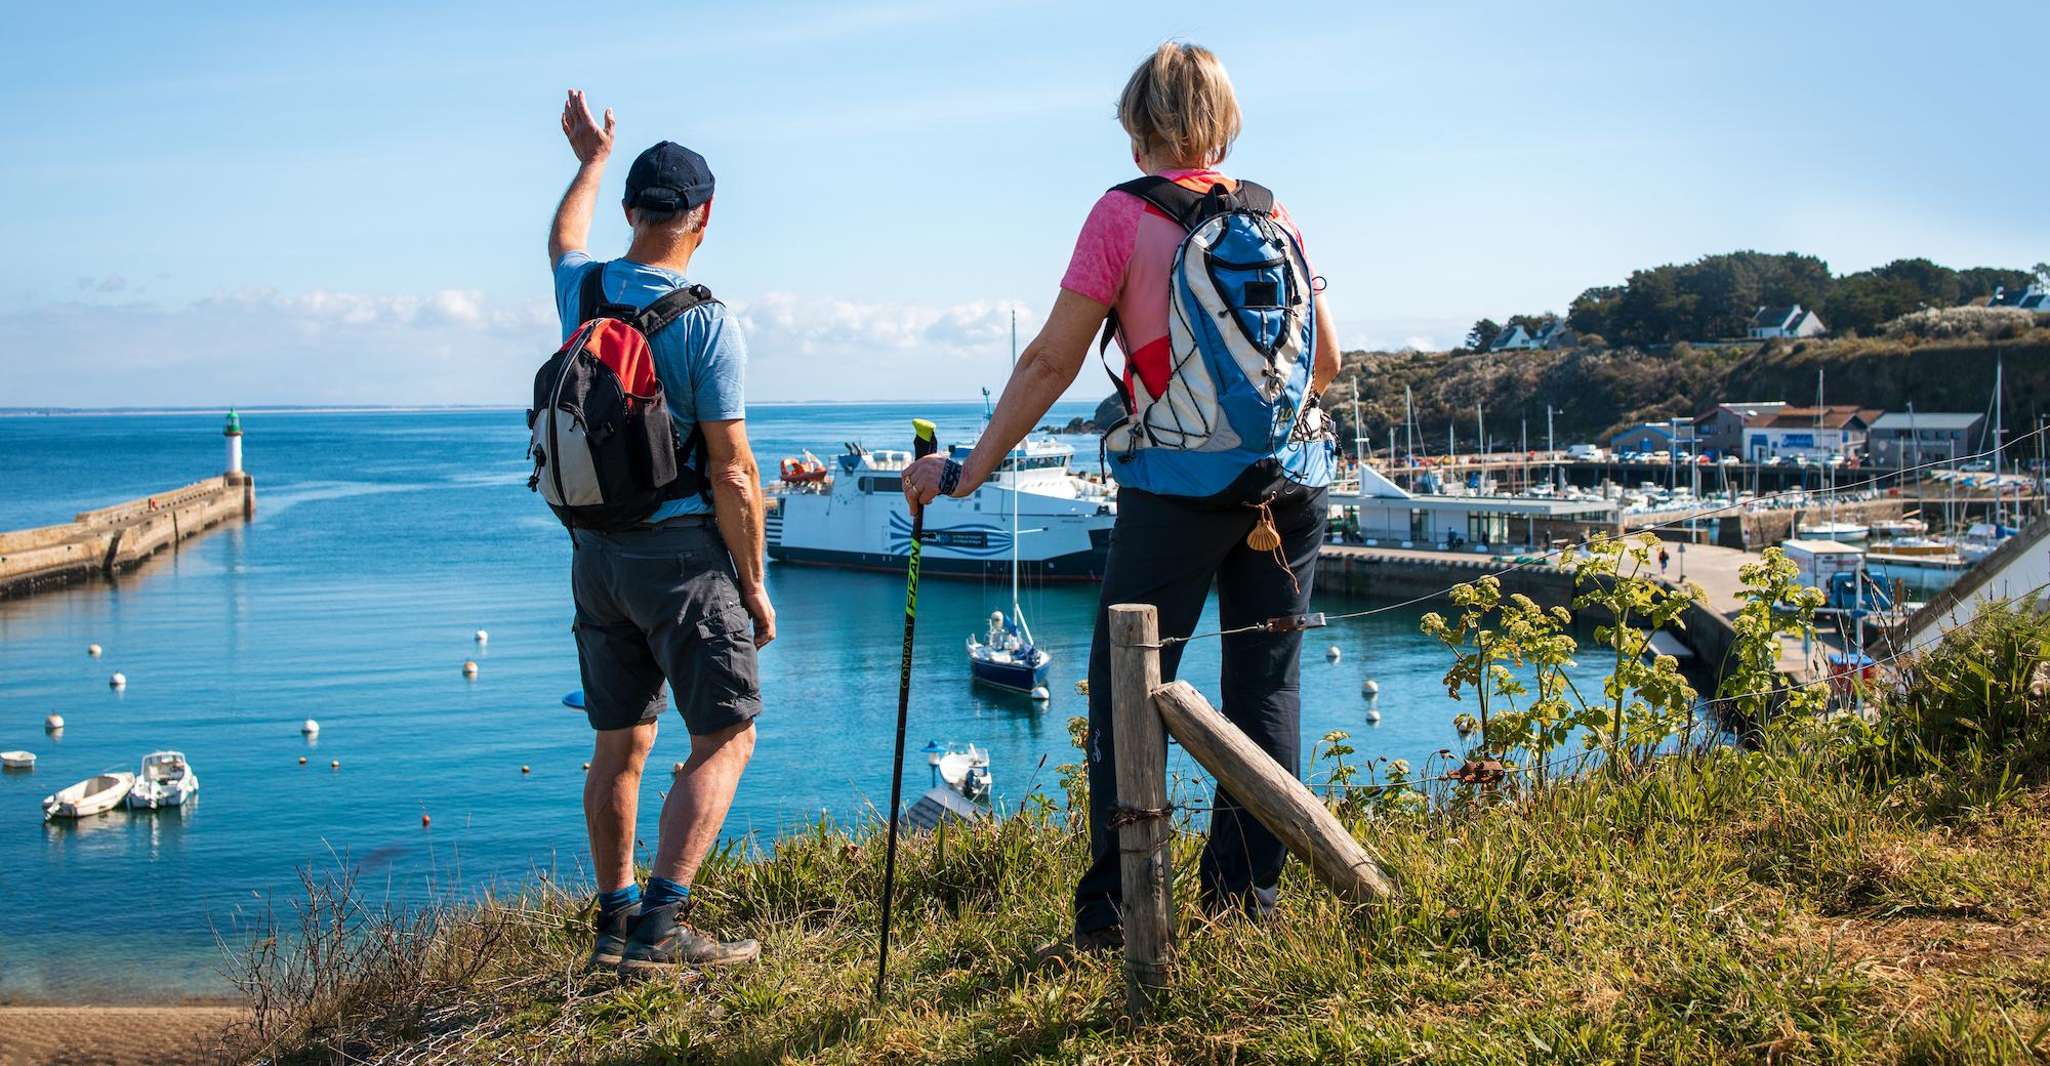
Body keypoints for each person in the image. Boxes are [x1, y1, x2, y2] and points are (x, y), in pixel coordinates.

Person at [904, 43, 1342, 951]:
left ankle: (1115, 914)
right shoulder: (1273, 213)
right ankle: (1243, 908)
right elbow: (1326, 365)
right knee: (1267, 690)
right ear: (1223, 121)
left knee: (1126, 690)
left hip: (1174, 494)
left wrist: (969, 471)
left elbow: (1051, 360)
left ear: (1137, 125)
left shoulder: (1121, 214)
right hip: (1289, 490)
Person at [549, 89, 772, 975]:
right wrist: (752, 584)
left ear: (636, 212)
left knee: (620, 742)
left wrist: (590, 160)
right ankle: (663, 929)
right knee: (726, 734)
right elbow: (734, 473)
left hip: (593, 557)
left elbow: (565, 237)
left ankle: (612, 923)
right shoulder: (707, 322)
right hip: (680, 561)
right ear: (703, 218)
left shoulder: (584, 288)